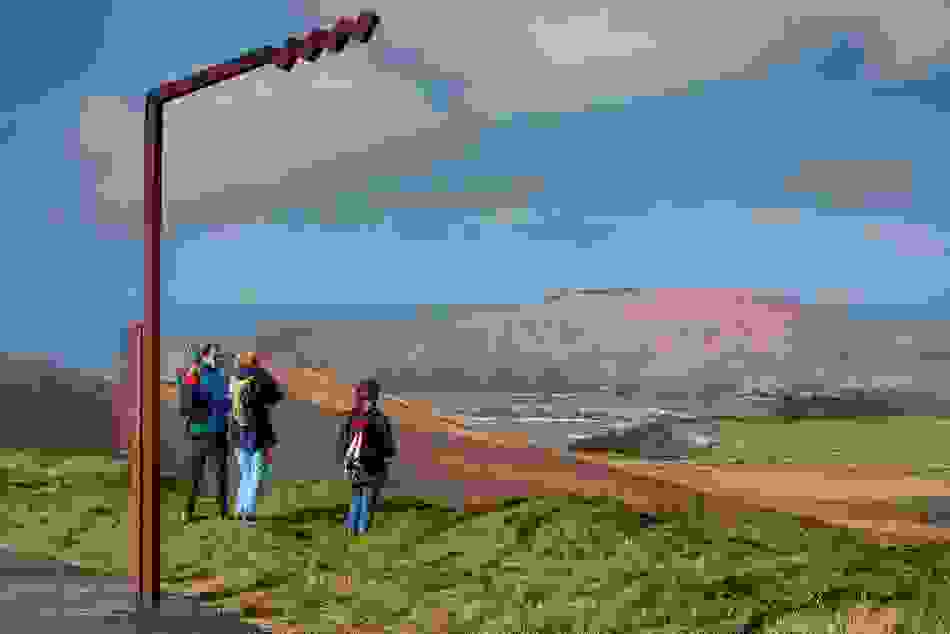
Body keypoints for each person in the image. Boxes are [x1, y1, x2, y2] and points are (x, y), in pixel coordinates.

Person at [177, 344, 231, 523]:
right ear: (205, 356)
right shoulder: (195, 374)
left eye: (219, 355)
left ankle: (223, 512)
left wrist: (227, 404)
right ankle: (188, 511)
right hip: (200, 430)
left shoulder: (221, 375)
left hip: (219, 430)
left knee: (221, 473)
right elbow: (188, 402)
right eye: (214, 355)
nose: (217, 358)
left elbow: (225, 401)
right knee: (195, 474)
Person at [337, 378, 396, 538]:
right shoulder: (380, 418)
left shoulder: (352, 416)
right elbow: (389, 447)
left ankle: (351, 527)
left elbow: (342, 440)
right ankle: (362, 530)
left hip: (354, 465)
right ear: (375, 397)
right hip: (373, 466)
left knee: (356, 495)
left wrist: (342, 458)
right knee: (368, 499)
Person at [231, 351, 284, 527]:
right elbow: (277, 395)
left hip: (237, 434)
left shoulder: (234, 377)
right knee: (255, 475)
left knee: (244, 474)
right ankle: (248, 514)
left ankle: (239, 510)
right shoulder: (260, 376)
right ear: (256, 362)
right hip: (256, 434)